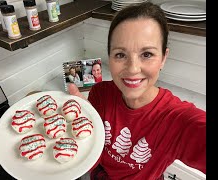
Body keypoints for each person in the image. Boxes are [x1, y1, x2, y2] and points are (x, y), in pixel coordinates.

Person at [68, 2, 206, 180]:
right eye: (120, 54)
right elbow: (93, 160)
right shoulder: (100, 94)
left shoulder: (177, 120)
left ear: (163, 57)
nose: (133, 69)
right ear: (109, 57)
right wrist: (84, 136)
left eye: (147, 54)